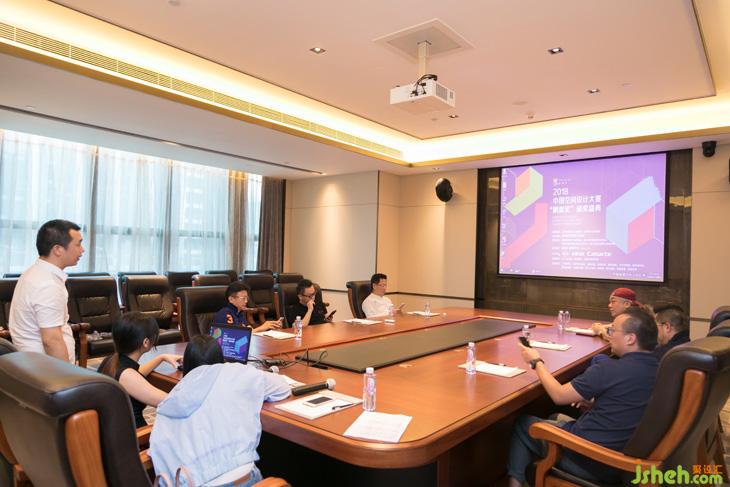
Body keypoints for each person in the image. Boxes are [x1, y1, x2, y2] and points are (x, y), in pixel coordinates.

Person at [507, 308, 659, 486]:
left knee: (524, 424)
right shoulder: (659, 368)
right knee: (554, 417)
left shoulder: (610, 369)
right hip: (623, 455)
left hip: (591, 459)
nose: (609, 335)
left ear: (630, 338)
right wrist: (596, 403)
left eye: (612, 330)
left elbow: (558, 395)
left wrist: (536, 361)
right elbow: (628, 402)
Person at [149, 335, 291, 486]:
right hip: (240, 481)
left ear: (186, 363)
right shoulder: (237, 372)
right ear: (221, 358)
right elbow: (283, 388)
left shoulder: (171, 399)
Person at [8, 219, 85, 363]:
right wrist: (67, 374)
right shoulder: (47, 284)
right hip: (47, 369)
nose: (82, 250)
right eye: (78, 244)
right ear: (58, 249)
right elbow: (51, 340)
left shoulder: (34, 272)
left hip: (35, 365)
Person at [99, 312, 181, 428]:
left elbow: (137, 373)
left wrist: (161, 358)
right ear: (146, 342)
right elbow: (172, 403)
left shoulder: (111, 361)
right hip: (134, 435)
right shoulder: (127, 375)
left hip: (117, 431)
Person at [212, 281, 282, 332]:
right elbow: (236, 336)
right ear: (231, 299)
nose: (246, 301)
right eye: (243, 298)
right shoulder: (225, 314)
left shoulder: (239, 312)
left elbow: (249, 330)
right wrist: (263, 327)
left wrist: (271, 326)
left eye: (247, 298)